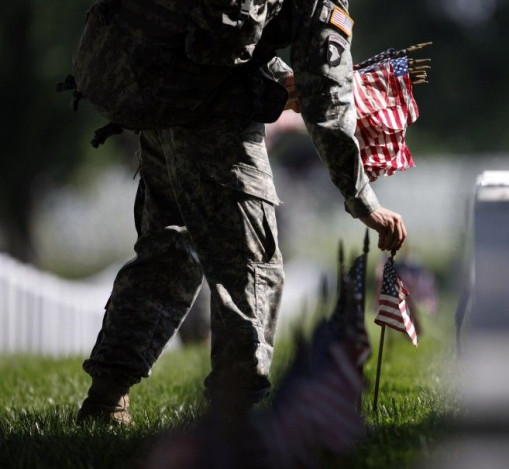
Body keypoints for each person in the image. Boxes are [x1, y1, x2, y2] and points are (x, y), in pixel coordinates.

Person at [73, 0, 407, 425]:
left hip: (149, 95)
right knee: (251, 265)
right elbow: (328, 103)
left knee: (169, 252)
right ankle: (232, 423)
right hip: (210, 121)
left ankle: (105, 399)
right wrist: (365, 202)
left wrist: (277, 82)